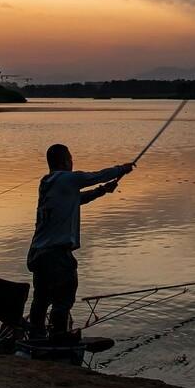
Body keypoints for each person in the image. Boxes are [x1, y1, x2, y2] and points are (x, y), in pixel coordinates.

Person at [26, 144, 133, 339]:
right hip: (56, 254)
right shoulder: (68, 178)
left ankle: (36, 338)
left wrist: (102, 191)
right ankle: (58, 338)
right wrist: (121, 169)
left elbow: (76, 199)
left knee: (40, 299)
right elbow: (95, 176)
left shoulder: (47, 182)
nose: (72, 162)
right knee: (64, 296)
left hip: (38, 253)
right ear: (64, 160)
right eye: (70, 158)